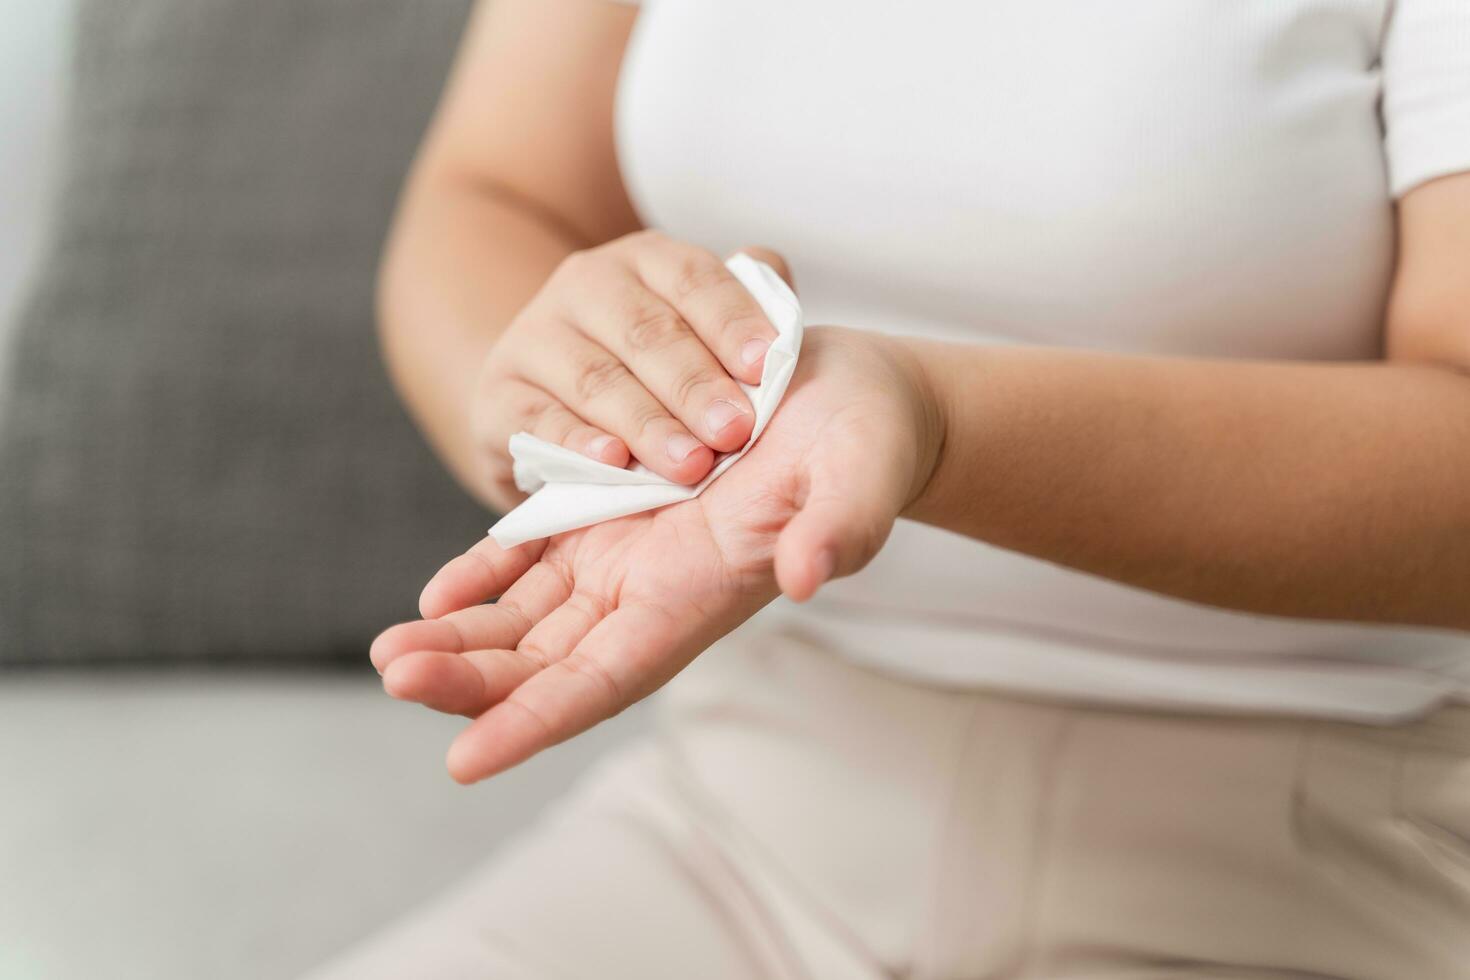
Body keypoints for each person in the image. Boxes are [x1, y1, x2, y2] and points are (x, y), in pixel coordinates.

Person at [315, 0, 1470, 976]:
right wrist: (579, 414)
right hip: (747, 816)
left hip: (1306, 869)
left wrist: (940, 421)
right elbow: (496, 191)